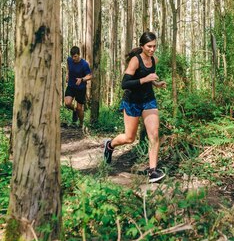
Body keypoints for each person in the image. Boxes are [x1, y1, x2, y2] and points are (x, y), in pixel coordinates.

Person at [103, 31, 166, 183]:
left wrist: (156, 83)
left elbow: (149, 78)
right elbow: (125, 84)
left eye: (154, 46)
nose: (152, 49)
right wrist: (145, 79)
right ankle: (109, 145)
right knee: (129, 138)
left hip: (148, 101)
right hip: (132, 101)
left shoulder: (154, 60)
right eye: (149, 46)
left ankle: (152, 171)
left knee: (154, 134)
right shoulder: (135, 61)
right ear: (142, 46)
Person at [64, 46, 92, 128]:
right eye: (72, 56)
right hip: (71, 86)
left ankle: (81, 123)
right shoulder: (69, 60)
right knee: (67, 103)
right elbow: (68, 67)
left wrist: (82, 79)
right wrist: (67, 74)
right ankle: (74, 111)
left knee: (80, 108)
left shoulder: (84, 64)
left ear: (79, 55)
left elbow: (90, 76)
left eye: (75, 56)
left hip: (80, 88)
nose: (73, 58)